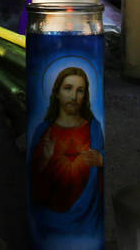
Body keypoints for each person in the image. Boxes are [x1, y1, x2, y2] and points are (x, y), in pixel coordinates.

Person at [29, 66, 104, 244]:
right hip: (49, 220)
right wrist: (44, 160)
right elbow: (32, 178)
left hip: (88, 220)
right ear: (56, 92)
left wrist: (101, 160)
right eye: (68, 88)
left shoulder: (94, 129)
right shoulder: (44, 131)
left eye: (80, 90)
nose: (73, 96)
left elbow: (101, 174)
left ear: (85, 96)